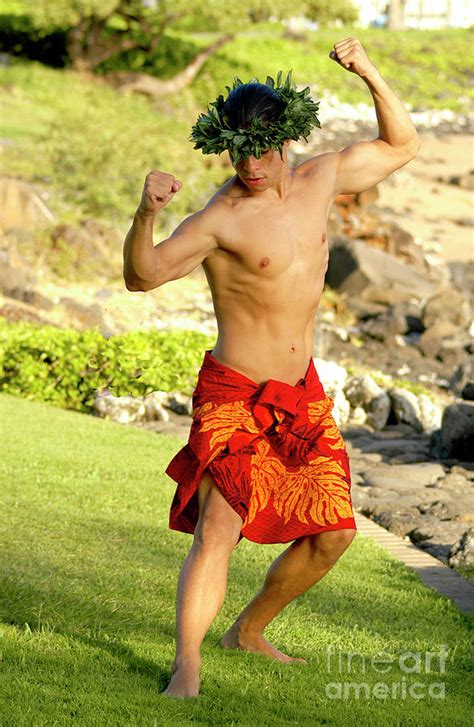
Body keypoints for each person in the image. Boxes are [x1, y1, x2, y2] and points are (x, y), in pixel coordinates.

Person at [123, 37, 421, 699]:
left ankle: (248, 630)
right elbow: (142, 277)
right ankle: (187, 668)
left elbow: (403, 146)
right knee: (219, 524)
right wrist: (147, 212)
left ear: (284, 139)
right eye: (237, 150)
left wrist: (369, 70)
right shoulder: (220, 219)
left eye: (260, 148)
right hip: (234, 395)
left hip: (303, 395)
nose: (250, 164)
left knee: (334, 534)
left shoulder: (321, 179)